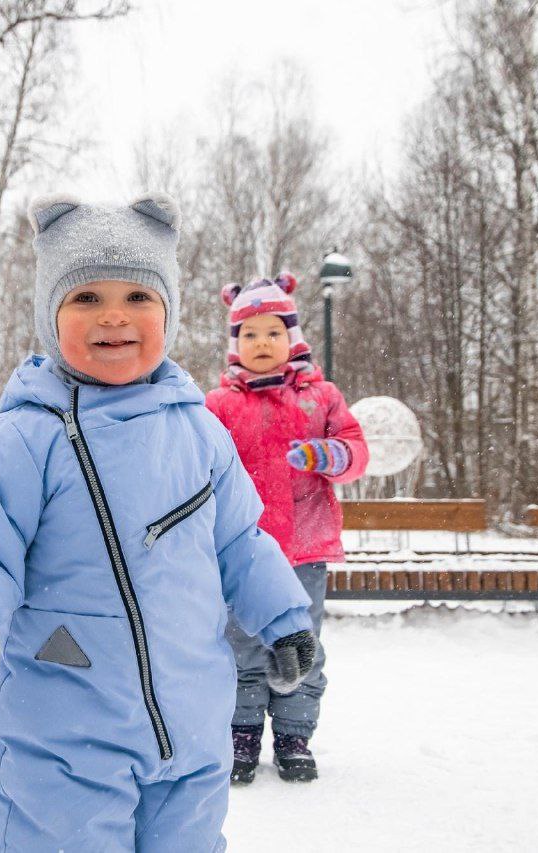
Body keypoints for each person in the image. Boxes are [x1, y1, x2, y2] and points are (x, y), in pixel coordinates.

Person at [0, 194, 318, 851]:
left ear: (169, 310)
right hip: (65, 738)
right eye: (86, 297)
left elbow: (240, 540)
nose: (114, 315)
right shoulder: (23, 439)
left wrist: (284, 616)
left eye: (139, 296)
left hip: (192, 728)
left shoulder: (200, 432)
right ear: (50, 313)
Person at [205, 273, 369, 784]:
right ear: (235, 344)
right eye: (249, 334)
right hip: (239, 555)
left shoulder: (320, 397)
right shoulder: (218, 405)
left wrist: (329, 453)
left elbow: (356, 450)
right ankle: (243, 732)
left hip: (304, 548)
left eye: (272, 332)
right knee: (241, 646)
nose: (261, 343)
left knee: (301, 644)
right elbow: (199, 465)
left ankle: (295, 736)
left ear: (292, 338)